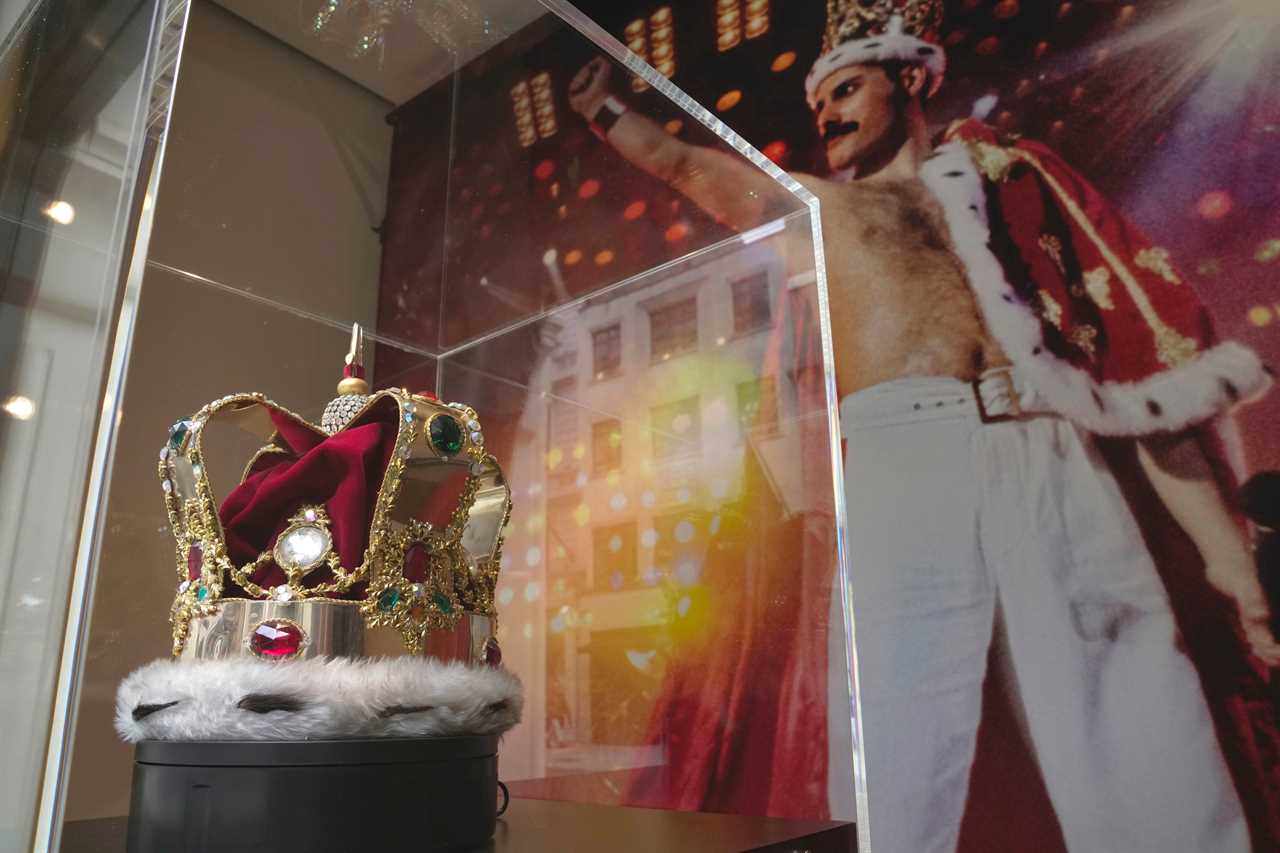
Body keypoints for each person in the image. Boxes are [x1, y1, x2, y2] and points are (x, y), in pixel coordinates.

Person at [569, 1, 1280, 850]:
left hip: (1049, 451)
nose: (825, 114)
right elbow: (690, 168)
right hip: (904, 466)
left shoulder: (1015, 196)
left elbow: (1133, 381)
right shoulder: (819, 211)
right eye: (817, 100)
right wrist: (603, 109)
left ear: (909, 77)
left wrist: (1230, 563)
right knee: (896, 758)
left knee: (1143, 721)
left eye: (847, 89)